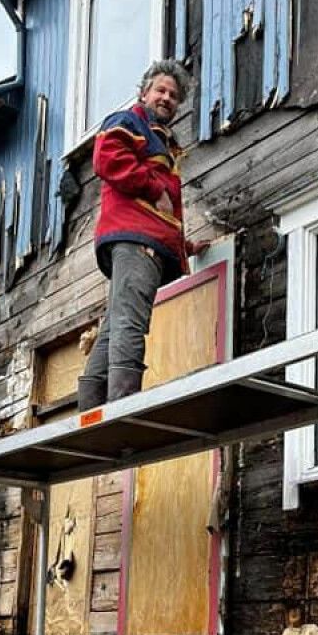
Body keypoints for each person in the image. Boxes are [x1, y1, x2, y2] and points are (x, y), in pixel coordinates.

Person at [77, 60, 208, 410]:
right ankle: (123, 401)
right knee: (130, 320)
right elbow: (107, 160)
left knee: (117, 320)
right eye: (160, 90)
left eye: (174, 95)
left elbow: (163, 216)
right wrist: (154, 187)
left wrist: (185, 246)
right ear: (144, 92)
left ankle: (91, 405)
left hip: (143, 238)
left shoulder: (162, 139)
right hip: (135, 239)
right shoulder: (129, 121)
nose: (167, 98)